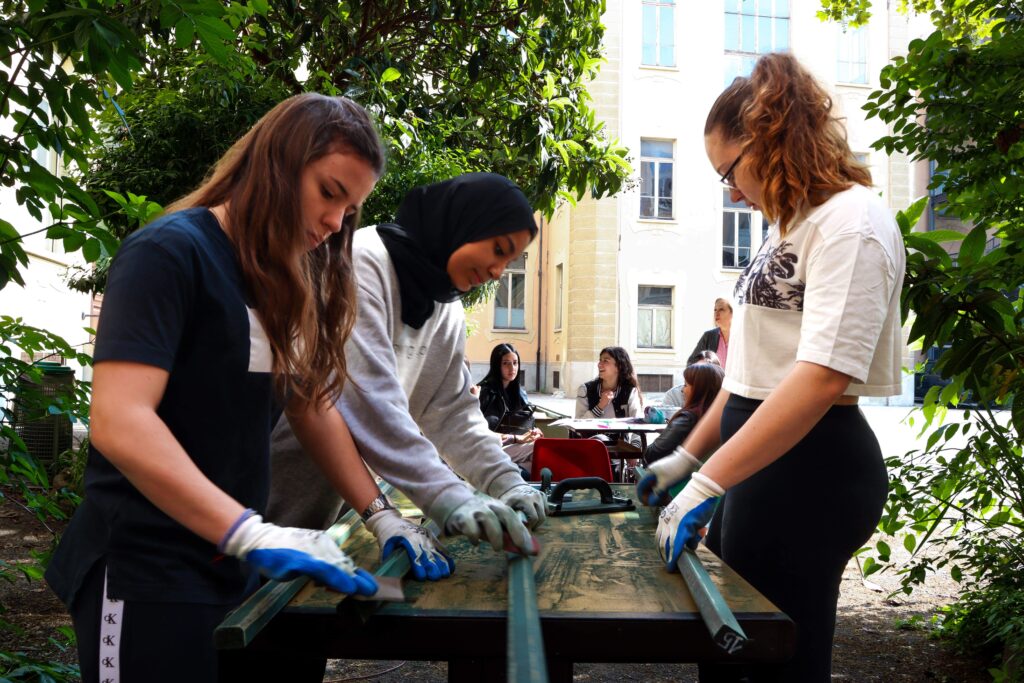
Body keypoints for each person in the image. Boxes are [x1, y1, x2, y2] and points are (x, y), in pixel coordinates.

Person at [44, 94, 393, 683]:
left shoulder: (282, 279)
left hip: (229, 570)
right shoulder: (168, 253)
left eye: (351, 208)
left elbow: (311, 405)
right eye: (330, 192)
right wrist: (248, 531)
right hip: (144, 572)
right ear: (277, 164)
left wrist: (382, 516)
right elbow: (120, 420)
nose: (337, 222)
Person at [638, 52, 904, 682]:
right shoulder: (790, 224)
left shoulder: (852, 224)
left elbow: (820, 379)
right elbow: (749, 376)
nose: (730, 189)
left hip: (811, 470)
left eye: (729, 170)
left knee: (777, 661)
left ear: (770, 139)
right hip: (758, 461)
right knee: (728, 651)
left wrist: (705, 485)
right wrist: (688, 459)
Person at [267, 173, 546, 560]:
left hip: (353, 511)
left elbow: (449, 413)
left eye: (509, 261)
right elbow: (370, 405)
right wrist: (449, 497)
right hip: (282, 498)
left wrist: (506, 482)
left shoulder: (445, 306)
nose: (499, 271)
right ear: (462, 222)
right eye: (497, 249)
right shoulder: (361, 263)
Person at [477, 342, 544, 476]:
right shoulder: (484, 393)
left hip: (513, 450)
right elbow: (478, 433)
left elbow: (527, 424)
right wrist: (515, 438)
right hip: (490, 450)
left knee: (537, 463)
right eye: (506, 363)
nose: (512, 368)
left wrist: (534, 433)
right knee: (539, 449)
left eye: (515, 363)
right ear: (497, 365)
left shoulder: (520, 394)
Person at [643, 362, 724, 465]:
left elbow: (652, 454)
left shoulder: (688, 418)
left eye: (686, 385)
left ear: (699, 389)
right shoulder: (725, 418)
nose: (682, 390)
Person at [687, 298, 733, 367]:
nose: (716, 313)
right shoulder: (708, 336)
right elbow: (691, 363)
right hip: (713, 378)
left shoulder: (740, 337)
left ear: (731, 313)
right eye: (715, 310)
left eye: (721, 309)